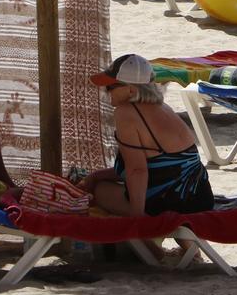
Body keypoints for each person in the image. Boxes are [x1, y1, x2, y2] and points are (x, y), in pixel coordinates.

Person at [81, 54, 211, 215]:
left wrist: (137, 218)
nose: (106, 92)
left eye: (110, 87)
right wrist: (97, 175)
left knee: (100, 191)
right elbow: (158, 166)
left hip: (174, 201)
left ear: (130, 90)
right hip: (200, 197)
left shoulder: (126, 113)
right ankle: (184, 240)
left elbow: (137, 170)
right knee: (101, 182)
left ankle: (140, 236)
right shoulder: (163, 107)